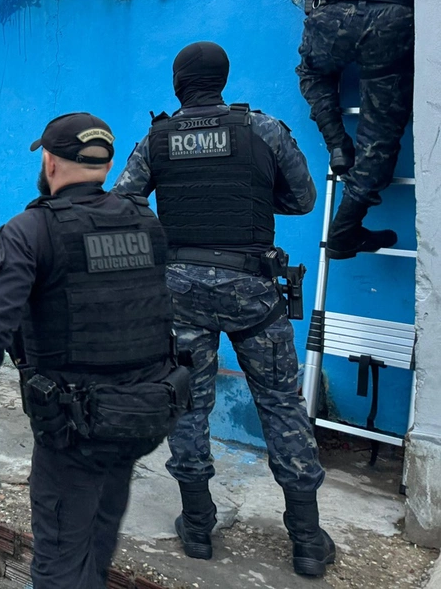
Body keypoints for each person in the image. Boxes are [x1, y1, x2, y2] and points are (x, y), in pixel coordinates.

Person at [112, 41, 334, 577]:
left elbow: (125, 200)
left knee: (188, 406)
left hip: (181, 292)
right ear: (223, 80)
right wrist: (257, 197)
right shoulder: (263, 130)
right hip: (252, 290)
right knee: (281, 404)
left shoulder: (157, 138)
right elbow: (302, 199)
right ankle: (306, 542)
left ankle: (197, 527)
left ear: (178, 84)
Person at [0, 113, 188, 589]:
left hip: (76, 427)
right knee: (97, 537)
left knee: (58, 559)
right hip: (143, 416)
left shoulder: (30, 231)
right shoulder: (146, 222)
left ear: (50, 163)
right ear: (108, 164)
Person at [288, 0, 416, 260]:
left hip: (331, 17)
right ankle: (347, 226)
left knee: (312, 71)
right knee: (381, 127)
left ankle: (336, 144)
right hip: (391, 17)